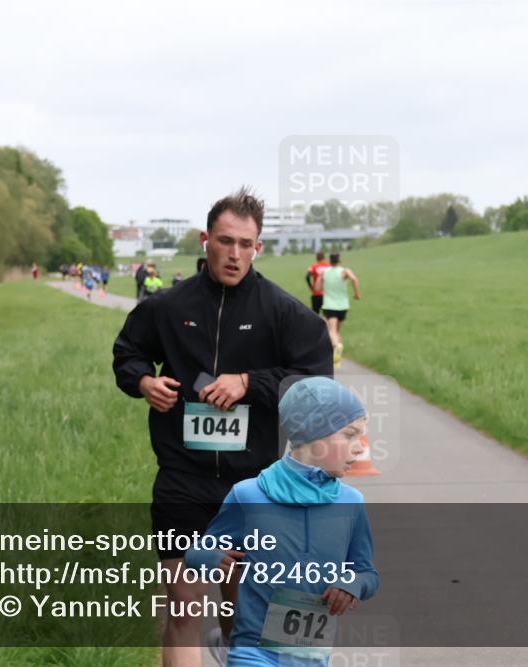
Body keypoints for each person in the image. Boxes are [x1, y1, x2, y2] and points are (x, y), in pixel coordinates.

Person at [112, 186, 333, 667]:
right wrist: (144, 382)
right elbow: (126, 354)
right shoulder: (168, 306)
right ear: (205, 240)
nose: (234, 254)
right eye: (225, 241)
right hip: (182, 477)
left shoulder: (282, 311)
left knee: (241, 612)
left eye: (245, 244)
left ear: (258, 248)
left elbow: (316, 379)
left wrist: (249, 382)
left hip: (252, 482)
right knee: (183, 607)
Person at [185, 376, 378, 666]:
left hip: (311, 654)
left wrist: (351, 583)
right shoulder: (248, 495)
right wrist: (209, 557)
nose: (359, 448)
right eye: (349, 434)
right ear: (313, 433)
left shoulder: (350, 504)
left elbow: (367, 573)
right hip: (253, 649)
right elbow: (197, 552)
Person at [315, 253, 360, 370]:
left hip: (329, 305)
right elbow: (354, 279)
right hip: (343, 306)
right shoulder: (344, 271)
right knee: (337, 332)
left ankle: (336, 346)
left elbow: (317, 288)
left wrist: (321, 278)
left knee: (331, 330)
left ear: (330, 260)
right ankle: (336, 360)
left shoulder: (325, 272)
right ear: (340, 260)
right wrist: (356, 293)